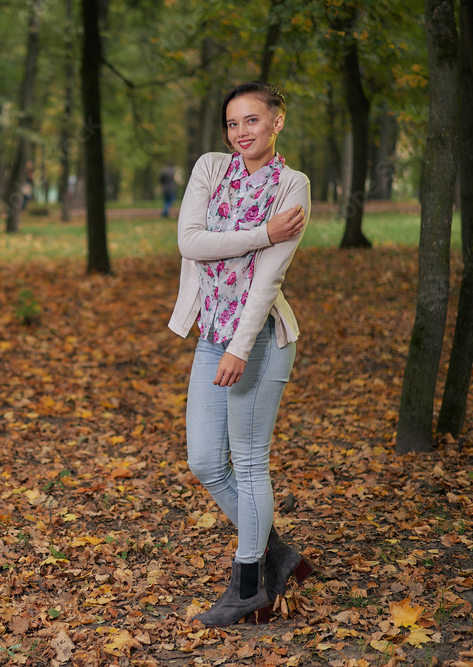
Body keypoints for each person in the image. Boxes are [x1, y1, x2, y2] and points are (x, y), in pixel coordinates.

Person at [167, 81, 314, 627]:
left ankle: (250, 586)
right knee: (205, 460)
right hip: (210, 334)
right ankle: (277, 553)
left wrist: (238, 347)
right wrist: (259, 233)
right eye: (233, 123)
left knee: (248, 462)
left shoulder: (292, 185)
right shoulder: (211, 169)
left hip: (258, 340)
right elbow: (190, 242)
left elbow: (268, 280)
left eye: (252, 121)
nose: (241, 132)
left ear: (277, 122)